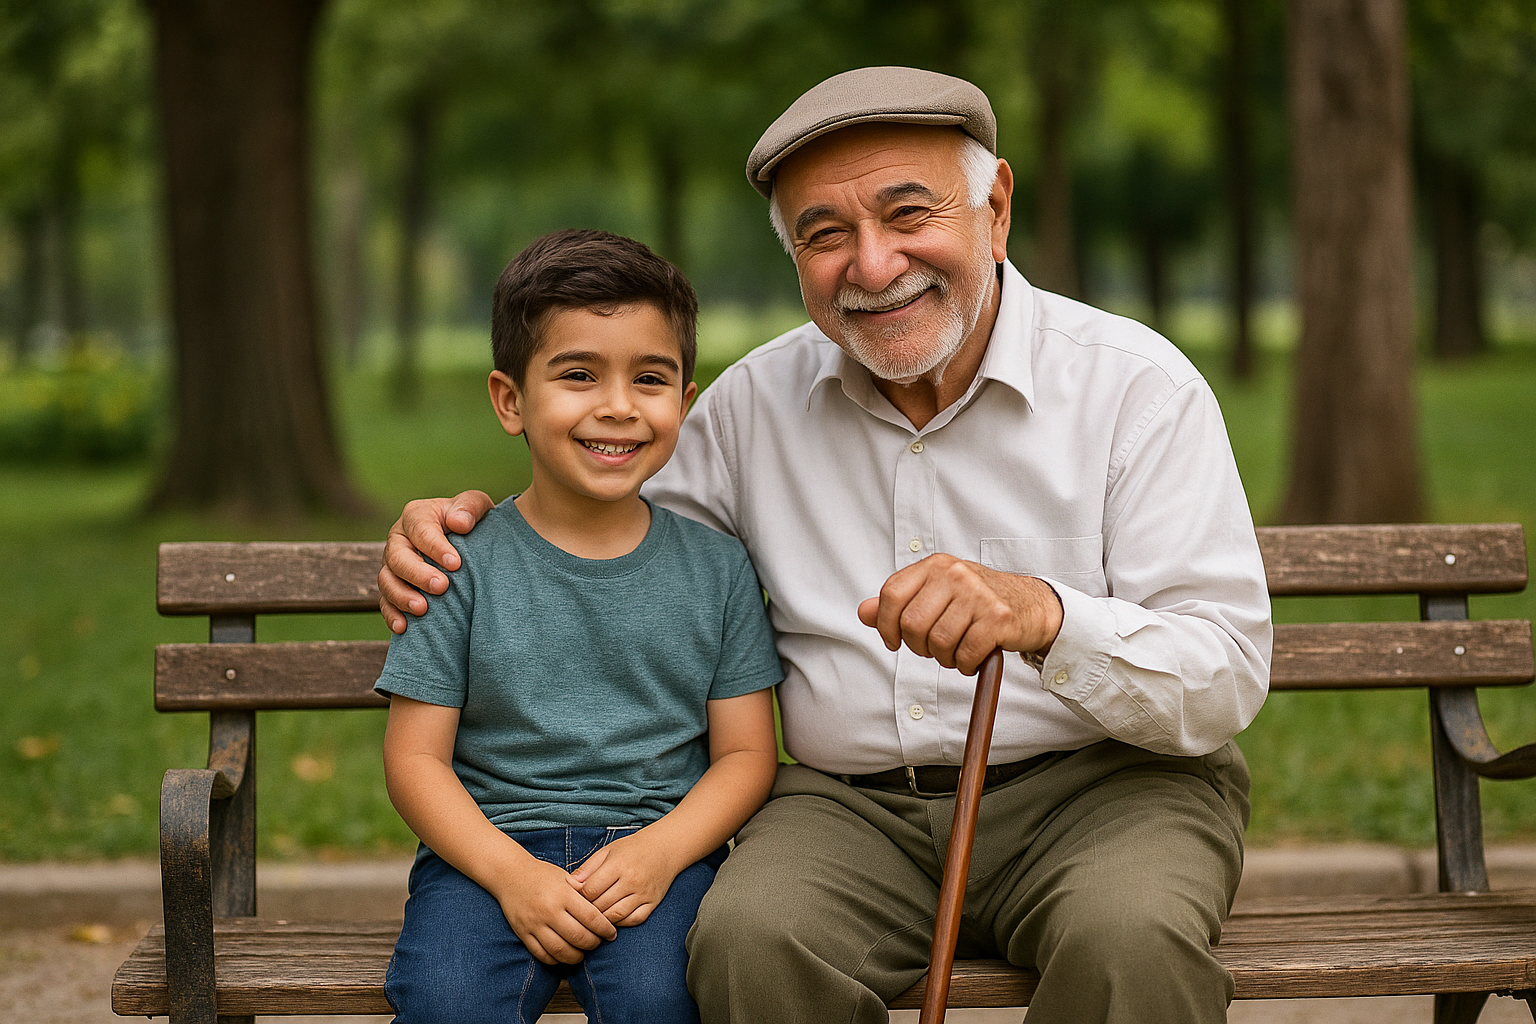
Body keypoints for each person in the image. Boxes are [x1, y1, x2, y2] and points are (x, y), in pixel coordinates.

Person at [378, 68, 1272, 1024]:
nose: (874, 265)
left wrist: (1046, 615)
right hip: (852, 809)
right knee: (750, 941)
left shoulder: (1136, 388)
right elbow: (604, 519)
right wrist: (461, 523)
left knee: (1128, 943)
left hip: (1108, 792)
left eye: (908, 213)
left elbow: (1224, 675)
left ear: (996, 208)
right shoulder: (749, 410)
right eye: (826, 234)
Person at [374, 228, 782, 1024]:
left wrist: (663, 851)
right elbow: (415, 759)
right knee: (446, 1001)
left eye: (650, 378)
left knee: (664, 998)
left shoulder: (718, 569)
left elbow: (745, 755)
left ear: (684, 403)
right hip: (486, 853)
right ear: (510, 401)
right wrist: (509, 874)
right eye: (579, 374)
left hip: (657, 851)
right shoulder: (455, 562)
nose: (619, 406)